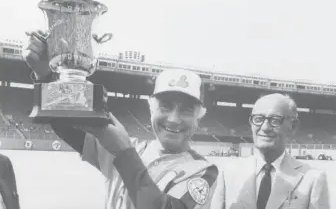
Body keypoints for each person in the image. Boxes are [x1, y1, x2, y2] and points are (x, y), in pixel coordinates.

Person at [22, 30, 219, 209]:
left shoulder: (203, 172)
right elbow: (68, 127)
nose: (174, 119)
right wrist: (45, 75)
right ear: (151, 107)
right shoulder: (130, 147)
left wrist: (125, 154)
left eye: (186, 110)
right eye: (165, 106)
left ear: (199, 117)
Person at [212, 93, 330, 209]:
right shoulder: (228, 174)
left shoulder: (313, 179)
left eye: (275, 120)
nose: (265, 128)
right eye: (258, 119)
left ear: (293, 126)